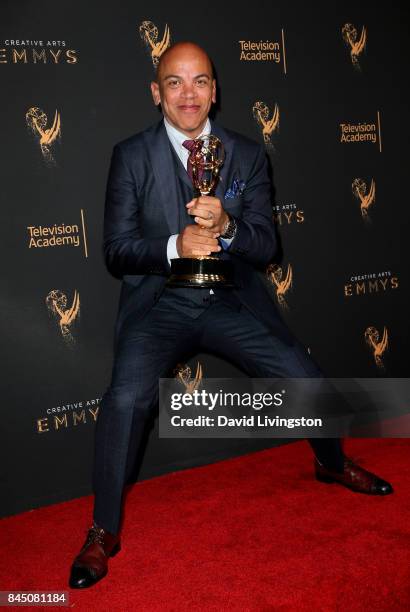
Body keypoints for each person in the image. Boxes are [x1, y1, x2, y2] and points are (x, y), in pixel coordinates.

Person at [69, 42, 393, 589]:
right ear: (156, 93)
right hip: (161, 303)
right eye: (174, 82)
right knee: (125, 399)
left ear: (215, 91)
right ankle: (102, 530)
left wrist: (228, 229)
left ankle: (332, 464)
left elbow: (267, 247)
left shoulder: (246, 154)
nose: (189, 94)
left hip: (230, 299)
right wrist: (175, 244)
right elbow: (116, 250)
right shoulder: (130, 156)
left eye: (200, 82)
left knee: (305, 378)